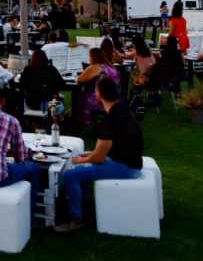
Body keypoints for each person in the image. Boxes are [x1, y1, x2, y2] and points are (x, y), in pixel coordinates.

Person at [55, 78, 143, 233]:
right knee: (82, 167)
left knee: (70, 174)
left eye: (95, 91)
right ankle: (82, 203)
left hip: (126, 167)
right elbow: (114, 144)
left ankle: (76, 219)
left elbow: (99, 158)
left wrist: (80, 159)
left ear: (99, 95)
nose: (95, 94)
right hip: (131, 160)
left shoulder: (110, 120)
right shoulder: (122, 108)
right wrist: (91, 154)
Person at [77, 48, 120, 125]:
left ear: (93, 57)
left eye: (89, 56)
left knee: (81, 97)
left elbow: (79, 80)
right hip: (114, 98)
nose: (89, 58)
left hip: (101, 100)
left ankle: (83, 120)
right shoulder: (109, 66)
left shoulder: (95, 67)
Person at [18, 50, 64, 114]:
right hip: (49, 103)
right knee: (60, 101)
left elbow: (21, 84)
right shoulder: (51, 69)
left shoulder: (28, 69)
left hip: (32, 103)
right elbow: (61, 84)